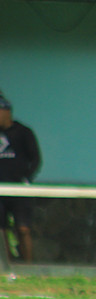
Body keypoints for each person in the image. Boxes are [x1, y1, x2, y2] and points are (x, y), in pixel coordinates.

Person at [0, 93, 42, 264]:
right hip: (0, 191)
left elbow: (36, 159)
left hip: (20, 190)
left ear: (6, 112)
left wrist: (27, 178)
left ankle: (28, 265)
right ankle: (7, 266)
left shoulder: (23, 132)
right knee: (2, 230)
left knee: (23, 228)